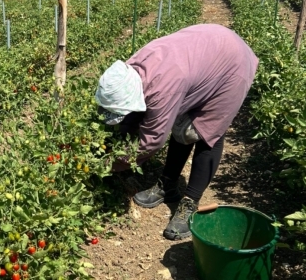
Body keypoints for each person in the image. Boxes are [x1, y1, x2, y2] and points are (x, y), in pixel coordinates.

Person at [95, 24, 258, 240]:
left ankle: (190, 202)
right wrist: (117, 141)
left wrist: (109, 165)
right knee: (183, 127)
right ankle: (168, 185)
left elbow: (152, 141)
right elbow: (132, 115)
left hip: (232, 65)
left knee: (207, 132)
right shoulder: (130, 71)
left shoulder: (163, 87)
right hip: (205, 51)